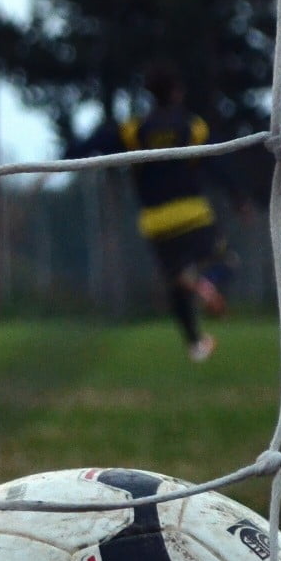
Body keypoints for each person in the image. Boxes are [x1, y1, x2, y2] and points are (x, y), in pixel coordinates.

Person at [83, 61, 237, 363]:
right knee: (226, 261)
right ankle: (207, 283)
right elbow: (215, 163)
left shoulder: (135, 129)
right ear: (177, 92)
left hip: (155, 221)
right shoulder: (192, 126)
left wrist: (65, 154)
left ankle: (196, 344)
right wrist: (240, 196)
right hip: (192, 213)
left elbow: (97, 143)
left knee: (176, 282)